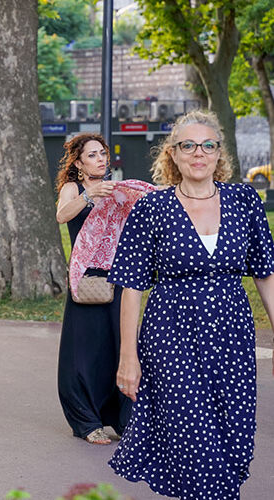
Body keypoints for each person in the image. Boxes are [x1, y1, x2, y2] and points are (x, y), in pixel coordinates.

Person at [108, 110, 274, 498]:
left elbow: (265, 274)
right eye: (188, 145)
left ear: (219, 154)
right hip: (171, 338)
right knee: (194, 440)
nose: (198, 153)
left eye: (208, 145)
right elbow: (131, 287)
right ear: (173, 155)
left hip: (232, 340)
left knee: (232, 440)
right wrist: (128, 357)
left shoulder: (245, 201)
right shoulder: (152, 209)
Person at [50, 133, 131, 446]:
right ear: (79, 163)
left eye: (103, 154)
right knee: (83, 352)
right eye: (93, 155)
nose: (101, 159)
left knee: (119, 347)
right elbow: (61, 216)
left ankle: (123, 418)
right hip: (85, 279)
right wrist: (90, 194)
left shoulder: (117, 189)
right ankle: (86, 420)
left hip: (118, 277)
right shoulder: (74, 188)